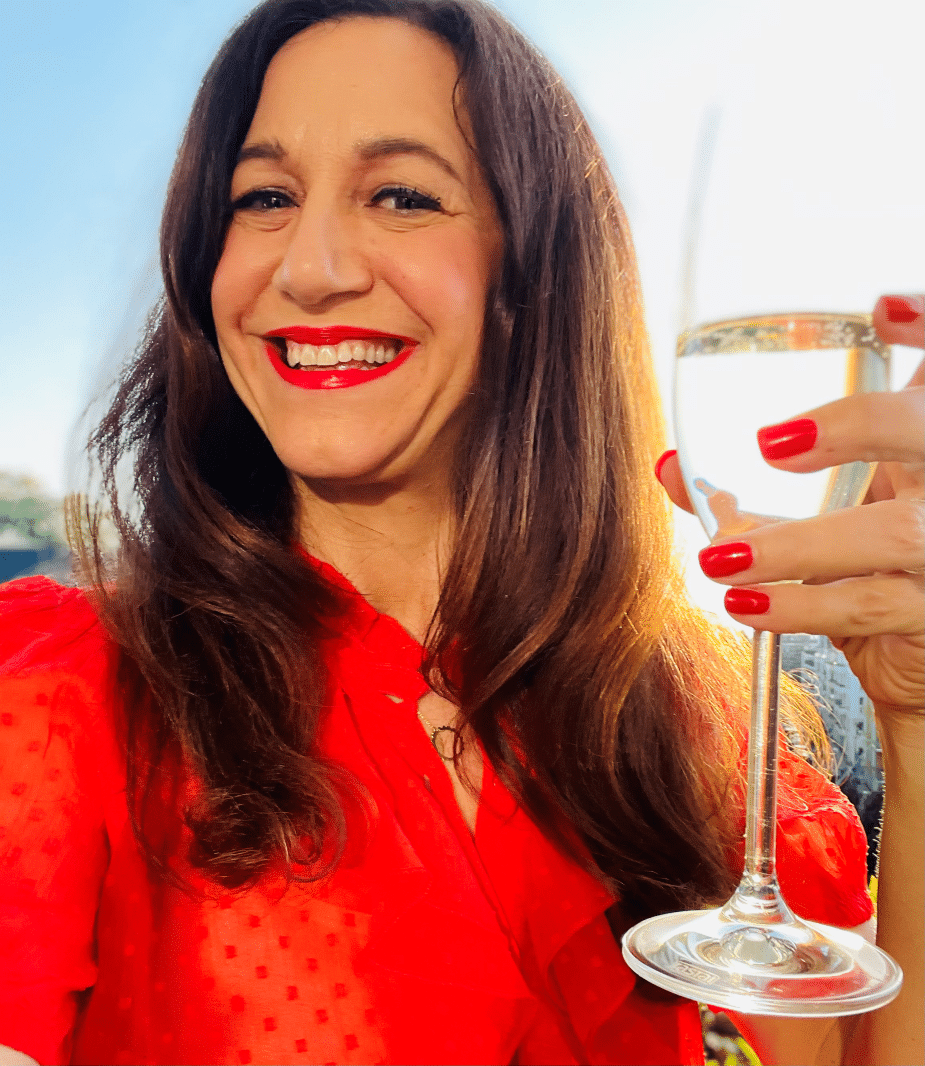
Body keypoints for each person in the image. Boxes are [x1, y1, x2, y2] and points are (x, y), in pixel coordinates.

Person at [0, 1, 921, 1063]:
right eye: (262, 197)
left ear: (532, 278)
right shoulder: (66, 695)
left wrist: (918, 714)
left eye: (400, 195)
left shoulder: (711, 748)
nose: (311, 266)